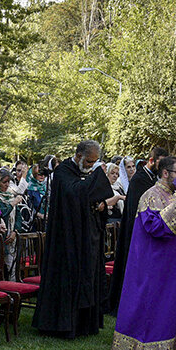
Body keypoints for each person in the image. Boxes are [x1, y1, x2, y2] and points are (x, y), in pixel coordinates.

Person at [112, 157, 176, 350]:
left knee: (175, 303)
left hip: (175, 261)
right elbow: (153, 226)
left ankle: (175, 345)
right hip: (155, 262)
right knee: (156, 304)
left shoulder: (175, 195)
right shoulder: (150, 196)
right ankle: (150, 346)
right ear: (166, 173)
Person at [32, 141, 115, 338]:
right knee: (68, 278)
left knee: (88, 275)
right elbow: (74, 195)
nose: (89, 166)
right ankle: (63, 325)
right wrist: (93, 183)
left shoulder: (82, 175)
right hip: (66, 238)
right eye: (88, 161)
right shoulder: (63, 173)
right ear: (78, 155)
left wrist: (101, 204)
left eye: (93, 162)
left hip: (87, 238)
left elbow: (89, 198)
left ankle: (85, 324)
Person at [108, 146, 168, 313]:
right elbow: (138, 210)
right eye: (160, 163)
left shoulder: (152, 178)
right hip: (136, 232)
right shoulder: (140, 179)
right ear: (151, 161)